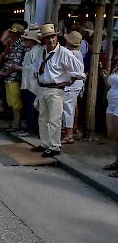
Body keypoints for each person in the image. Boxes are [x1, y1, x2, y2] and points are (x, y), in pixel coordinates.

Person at [32, 24, 84, 157]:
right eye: (47, 37)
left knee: (54, 119)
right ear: (43, 39)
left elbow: (79, 70)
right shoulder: (41, 51)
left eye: (52, 37)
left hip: (56, 89)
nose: (50, 40)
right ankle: (45, 143)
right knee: (42, 118)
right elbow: (36, 68)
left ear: (56, 37)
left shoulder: (64, 53)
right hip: (43, 88)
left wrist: (70, 80)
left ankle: (55, 146)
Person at [0, 23, 26, 131]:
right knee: (11, 102)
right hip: (9, 76)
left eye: (11, 32)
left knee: (16, 103)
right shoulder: (13, 43)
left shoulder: (20, 45)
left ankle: (16, 124)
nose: (9, 33)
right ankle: (15, 123)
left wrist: (6, 72)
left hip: (14, 77)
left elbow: (16, 62)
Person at [61, 31, 85, 144]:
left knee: (68, 110)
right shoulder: (77, 52)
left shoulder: (72, 54)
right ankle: (72, 128)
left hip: (72, 85)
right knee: (72, 108)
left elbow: (74, 71)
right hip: (75, 85)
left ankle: (69, 134)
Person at [19, 25, 41, 137]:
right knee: (31, 107)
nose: (24, 41)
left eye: (26, 40)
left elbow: (34, 68)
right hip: (29, 83)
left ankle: (31, 128)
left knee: (31, 108)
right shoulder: (32, 51)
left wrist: (21, 68)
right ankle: (31, 127)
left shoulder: (35, 52)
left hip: (31, 84)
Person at [102, 59, 118, 178]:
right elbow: (110, 85)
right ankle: (117, 161)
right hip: (111, 104)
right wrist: (105, 77)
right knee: (112, 134)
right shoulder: (116, 66)